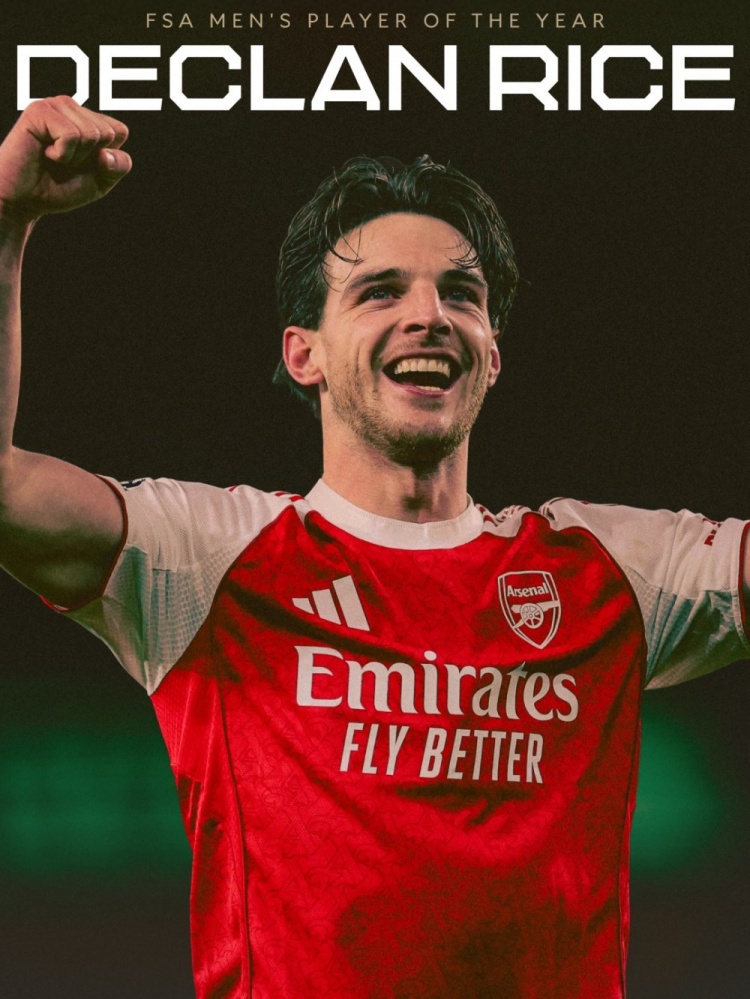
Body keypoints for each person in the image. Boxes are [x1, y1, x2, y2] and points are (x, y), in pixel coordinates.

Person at [0, 97, 747, 999]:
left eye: (461, 294)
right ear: (304, 353)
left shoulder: (610, 570)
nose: (430, 315)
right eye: (380, 290)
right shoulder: (206, 560)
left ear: (492, 354)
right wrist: (6, 218)